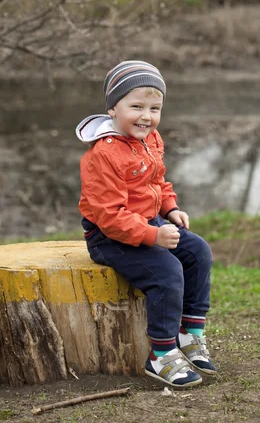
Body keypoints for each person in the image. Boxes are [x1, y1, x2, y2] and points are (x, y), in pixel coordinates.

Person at [75, 60, 216, 389]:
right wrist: (153, 236)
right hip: (109, 238)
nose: (146, 116)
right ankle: (162, 354)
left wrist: (170, 208)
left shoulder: (150, 139)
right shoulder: (103, 156)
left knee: (197, 251)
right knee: (167, 271)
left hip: (147, 223)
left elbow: (157, 181)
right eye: (136, 106)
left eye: (155, 108)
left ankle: (189, 333)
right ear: (112, 108)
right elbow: (109, 216)